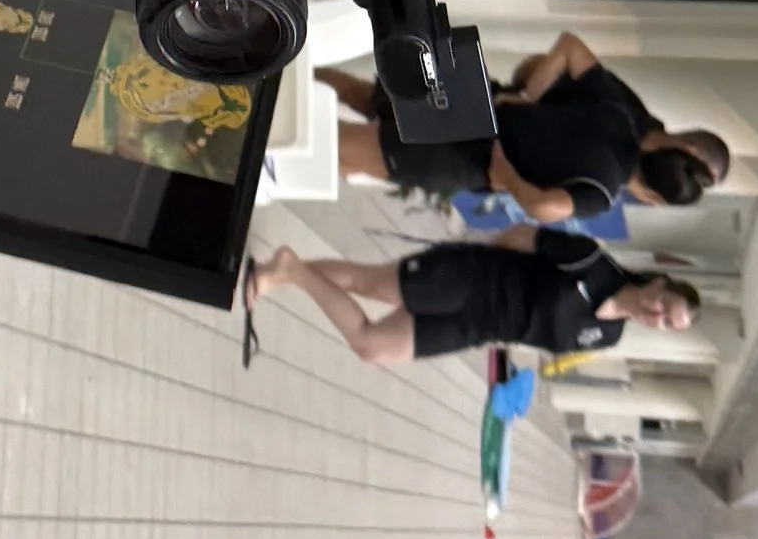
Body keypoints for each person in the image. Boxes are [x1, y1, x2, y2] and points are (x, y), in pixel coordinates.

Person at [320, 30, 729, 224]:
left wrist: (528, 100)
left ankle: (273, 81)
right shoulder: (606, 182)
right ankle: (268, 97)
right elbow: (544, 207)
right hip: (468, 148)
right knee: (341, 139)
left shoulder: (621, 116)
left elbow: (568, 48)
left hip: (476, 110)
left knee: (352, 124)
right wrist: (510, 177)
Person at [243, 233, 701, 367]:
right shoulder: (592, 260)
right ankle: (279, 274)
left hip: (477, 328)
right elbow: (524, 236)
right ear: (659, 284)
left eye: (666, 324)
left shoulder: (608, 335)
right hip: (472, 280)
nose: (656, 316)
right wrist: (473, 261)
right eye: (666, 308)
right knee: (366, 282)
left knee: (371, 346)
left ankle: (289, 270)